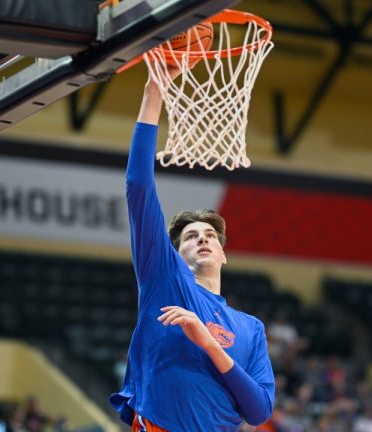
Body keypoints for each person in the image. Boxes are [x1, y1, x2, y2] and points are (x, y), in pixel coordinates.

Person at [109, 64, 275, 431]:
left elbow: (260, 410)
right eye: (190, 236)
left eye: (210, 236)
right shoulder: (165, 279)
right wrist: (155, 90)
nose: (202, 238)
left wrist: (209, 344)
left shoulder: (251, 328)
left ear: (223, 254)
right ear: (175, 253)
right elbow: (138, 186)